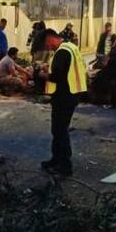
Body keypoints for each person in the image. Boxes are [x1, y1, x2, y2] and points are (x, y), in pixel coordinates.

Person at [41, 30, 87, 177]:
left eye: (46, 44)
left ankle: (65, 166)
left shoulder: (62, 52)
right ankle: (56, 159)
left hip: (65, 96)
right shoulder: (71, 47)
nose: (47, 47)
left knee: (60, 130)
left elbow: (57, 76)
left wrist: (42, 75)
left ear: (50, 38)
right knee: (57, 129)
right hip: (71, 93)